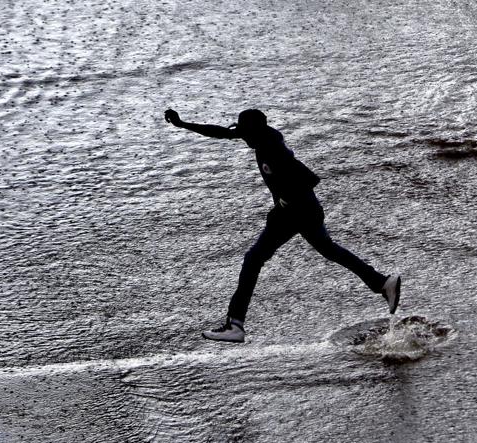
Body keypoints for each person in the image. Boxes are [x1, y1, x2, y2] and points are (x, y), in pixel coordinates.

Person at [164, 108, 401, 343]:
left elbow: (308, 178)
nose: (242, 137)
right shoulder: (259, 137)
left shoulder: (271, 147)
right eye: (241, 132)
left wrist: (287, 200)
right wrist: (183, 124)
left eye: (245, 133)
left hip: (297, 212)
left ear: (256, 130)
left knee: (253, 259)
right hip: (297, 211)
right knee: (328, 250)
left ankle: (235, 325)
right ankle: (381, 282)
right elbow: (221, 133)